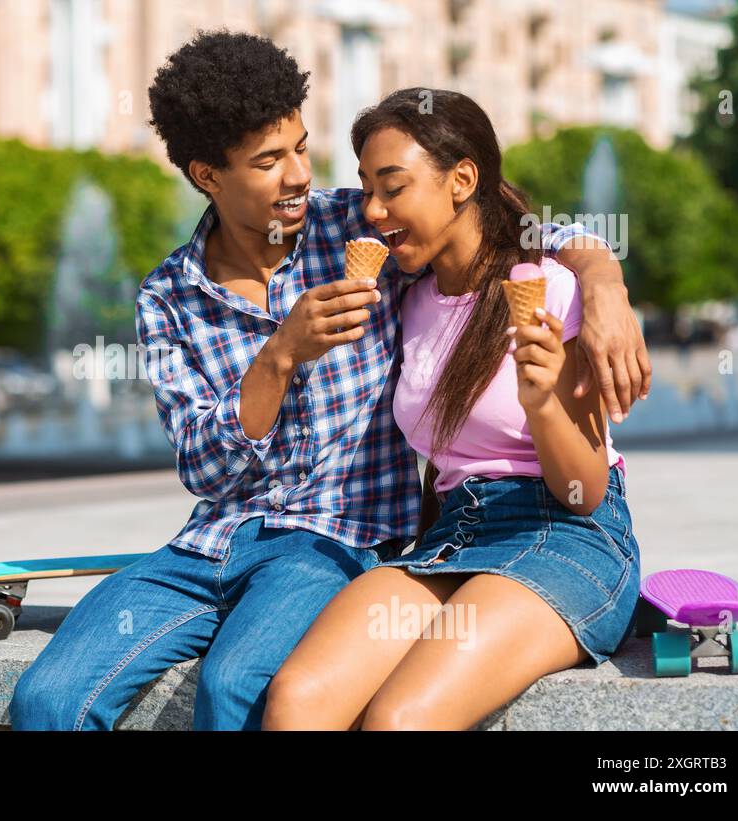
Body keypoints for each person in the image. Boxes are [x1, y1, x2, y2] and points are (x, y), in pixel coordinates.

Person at [8, 32, 648, 731]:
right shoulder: (167, 296)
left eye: (301, 149)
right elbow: (202, 465)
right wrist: (279, 357)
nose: (299, 177)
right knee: (47, 698)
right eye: (268, 160)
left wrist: (604, 278)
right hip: (218, 541)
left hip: (341, 541)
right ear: (207, 175)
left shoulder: (357, 231)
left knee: (242, 690)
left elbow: (497, 222)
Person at [264, 89, 641, 730]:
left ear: (462, 179)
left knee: (399, 720)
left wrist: (543, 403)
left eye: (393, 186)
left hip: (563, 534)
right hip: (451, 538)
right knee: (298, 700)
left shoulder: (554, 288)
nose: (373, 210)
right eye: (365, 188)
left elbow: (584, 492)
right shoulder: (410, 299)